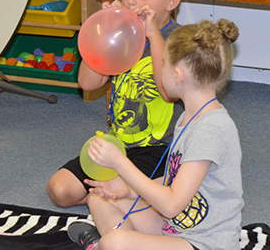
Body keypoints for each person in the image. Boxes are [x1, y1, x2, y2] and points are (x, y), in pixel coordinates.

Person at [67, 19, 243, 250]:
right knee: (99, 199)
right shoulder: (191, 115)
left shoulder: (210, 131)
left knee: (114, 242)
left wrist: (120, 164)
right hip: (175, 227)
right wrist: (126, 190)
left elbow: (171, 205)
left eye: (162, 64)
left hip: (203, 243)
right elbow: (173, 180)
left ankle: (102, 246)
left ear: (178, 75)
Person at [48, 0, 184, 208]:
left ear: (171, 1)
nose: (132, 0)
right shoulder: (122, 35)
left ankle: (138, 194)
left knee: (110, 195)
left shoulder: (180, 41)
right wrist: (104, 34)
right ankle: (130, 196)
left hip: (160, 148)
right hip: (118, 141)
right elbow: (87, 84)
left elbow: (169, 92)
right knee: (60, 190)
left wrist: (153, 34)